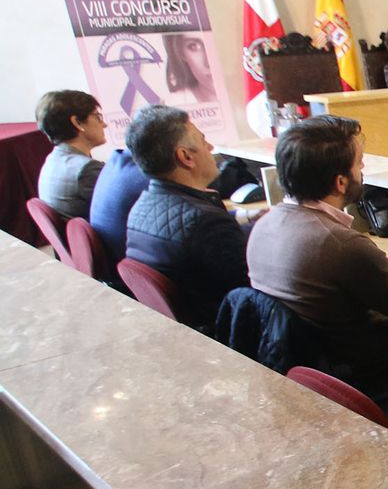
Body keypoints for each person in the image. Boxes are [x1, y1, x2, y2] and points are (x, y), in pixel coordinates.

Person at [247, 115, 388, 403]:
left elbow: (378, 274)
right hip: (372, 374)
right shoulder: (340, 244)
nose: (363, 169)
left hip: (308, 374)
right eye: (359, 163)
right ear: (340, 182)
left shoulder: (265, 224)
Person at [121, 105, 247, 327]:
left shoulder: (140, 207)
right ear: (186, 156)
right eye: (203, 140)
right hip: (225, 334)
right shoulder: (207, 224)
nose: (210, 147)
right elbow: (252, 293)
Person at [34, 89, 105, 219]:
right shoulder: (86, 170)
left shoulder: (52, 160)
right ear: (77, 122)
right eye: (97, 117)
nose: (104, 124)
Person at [162, 33, 218, 104]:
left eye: (219, 41)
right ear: (181, 54)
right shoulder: (173, 106)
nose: (210, 62)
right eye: (194, 46)